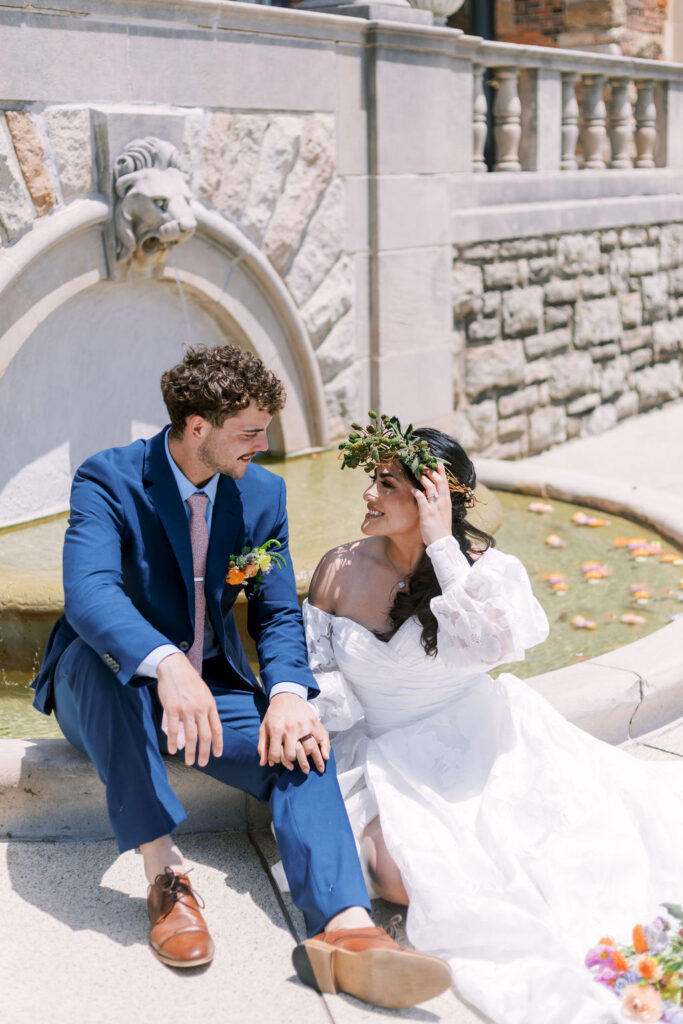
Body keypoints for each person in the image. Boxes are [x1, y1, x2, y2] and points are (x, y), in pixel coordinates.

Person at [31, 349, 450, 1009]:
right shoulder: (108, 478)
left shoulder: (261, 491)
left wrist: (286, 693)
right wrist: (165, 664)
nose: (263, 444)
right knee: (93, 659)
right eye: (250, 432)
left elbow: (280, 613)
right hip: (108, 684)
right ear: (198, 427)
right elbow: (89, 594)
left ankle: (345, 928)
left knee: (303, 741)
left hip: (216, 685)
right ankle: (165, 875)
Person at [304, 414, 683, 1024]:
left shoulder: (485, 568)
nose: (369, 495)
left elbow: (496, 648)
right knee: (397, 877)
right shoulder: (338, 567)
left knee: (551, 855)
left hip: (474, 737)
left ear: (435, 498)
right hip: (380, 749)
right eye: (371, 480)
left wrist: (441, 547)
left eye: (388, 484)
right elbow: (318, 669)